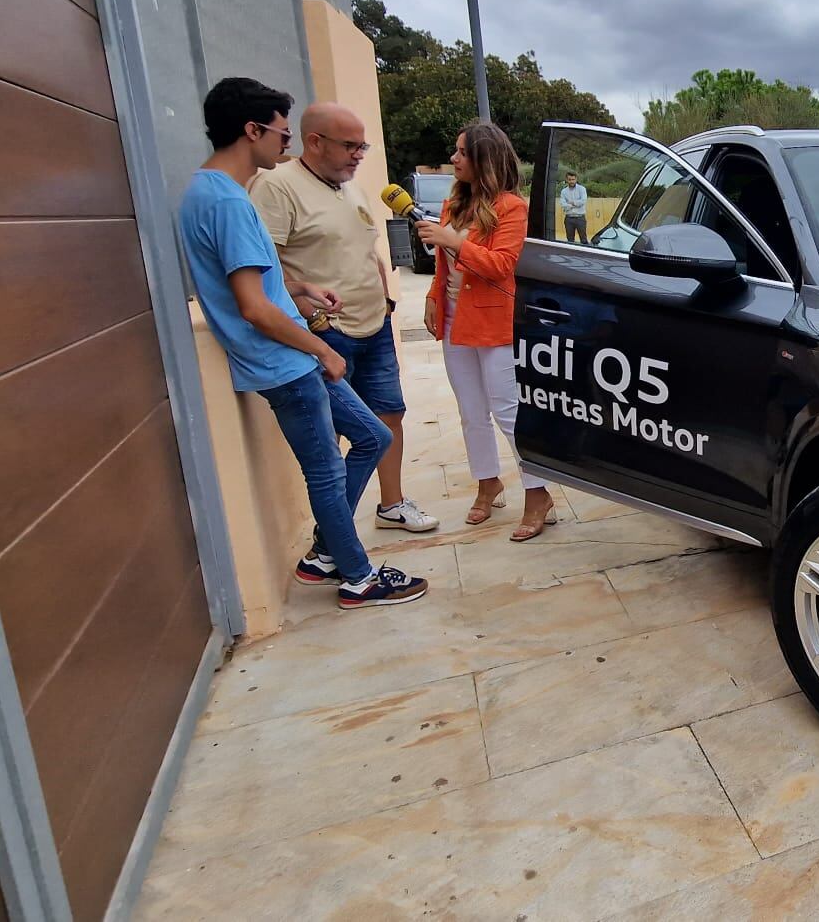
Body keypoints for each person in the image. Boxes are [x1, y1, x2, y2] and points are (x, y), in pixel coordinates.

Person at [179, 77, 427, 609]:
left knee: (373, 436)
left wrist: (300, 288)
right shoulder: (228, 202)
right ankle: (358, 578)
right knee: (327, 470)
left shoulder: (210, 191)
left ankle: (324, 554)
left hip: (291, 356)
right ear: (252, 131)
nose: (286, 144)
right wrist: (322, 348)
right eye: (282, 133)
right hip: (283, 363)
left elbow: (252, 283)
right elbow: (253, 307)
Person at [249, 102, 440, 535]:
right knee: (334, 432)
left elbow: (368, 250)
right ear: (315, 142)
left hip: (375, 326)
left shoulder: (349, 187)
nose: (358, 155)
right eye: (350, 146)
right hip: (328, 333)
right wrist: (311, 315)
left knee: (389, 415)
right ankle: (335, 532)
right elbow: (264, 269)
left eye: (362, 147)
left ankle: (392, 505)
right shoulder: (277, 188)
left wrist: (386, 301)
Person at [417, 122, 557, 541]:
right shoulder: (453, 204)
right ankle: (487, 482)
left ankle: (538, 493)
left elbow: (501, 266)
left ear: (485, 159)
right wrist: (433, 295)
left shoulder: (511, 207)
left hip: (495, 322)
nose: (454, 158)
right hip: (453, 320)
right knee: (470, 411)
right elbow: (443, 266)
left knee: (507, 411)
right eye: (456, 150)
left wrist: (455, 241)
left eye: (462, 152)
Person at [559, 170, 589, 244]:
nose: (571, 181)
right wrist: (576, 204)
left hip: (580, 218)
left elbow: (583, 201)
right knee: (570, 240)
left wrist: (571, 203)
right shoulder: (564, 191)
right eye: (570, 179)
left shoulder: (582, 189)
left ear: (576, 179)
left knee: (584, 240)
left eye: (573, 179)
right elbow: (563, 205)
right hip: (569, 219)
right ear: (566, 180)